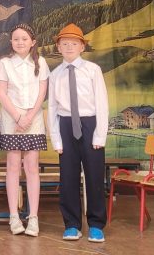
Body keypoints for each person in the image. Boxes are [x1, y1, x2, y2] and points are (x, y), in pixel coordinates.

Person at [48, 23, 108, 243]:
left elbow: (102, 103)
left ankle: (96, 225)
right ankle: (72, 225)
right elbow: (52, 108)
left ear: (82, 47)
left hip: (90, 124)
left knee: (94, 176)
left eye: (74, 43)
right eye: (64, 43)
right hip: (66, 126)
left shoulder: (93, 70)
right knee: (68, 178)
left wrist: (99, 135)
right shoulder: (55, 75)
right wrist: (56, 139)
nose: (69, 47)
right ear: (58, 47)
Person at [0, 23, 49, 237]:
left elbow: (42, 93)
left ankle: (33, 217)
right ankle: (14, 216)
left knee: (32, 167)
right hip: (12, 120)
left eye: (24, 39)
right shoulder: (5, 63)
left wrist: (28, 117)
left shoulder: (41, 62)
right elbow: (1, 93)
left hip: (33, 120)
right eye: (16, 39)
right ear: (11, 42)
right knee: (13, 166)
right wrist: (18, 117)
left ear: (32, 42)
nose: (20, 42)